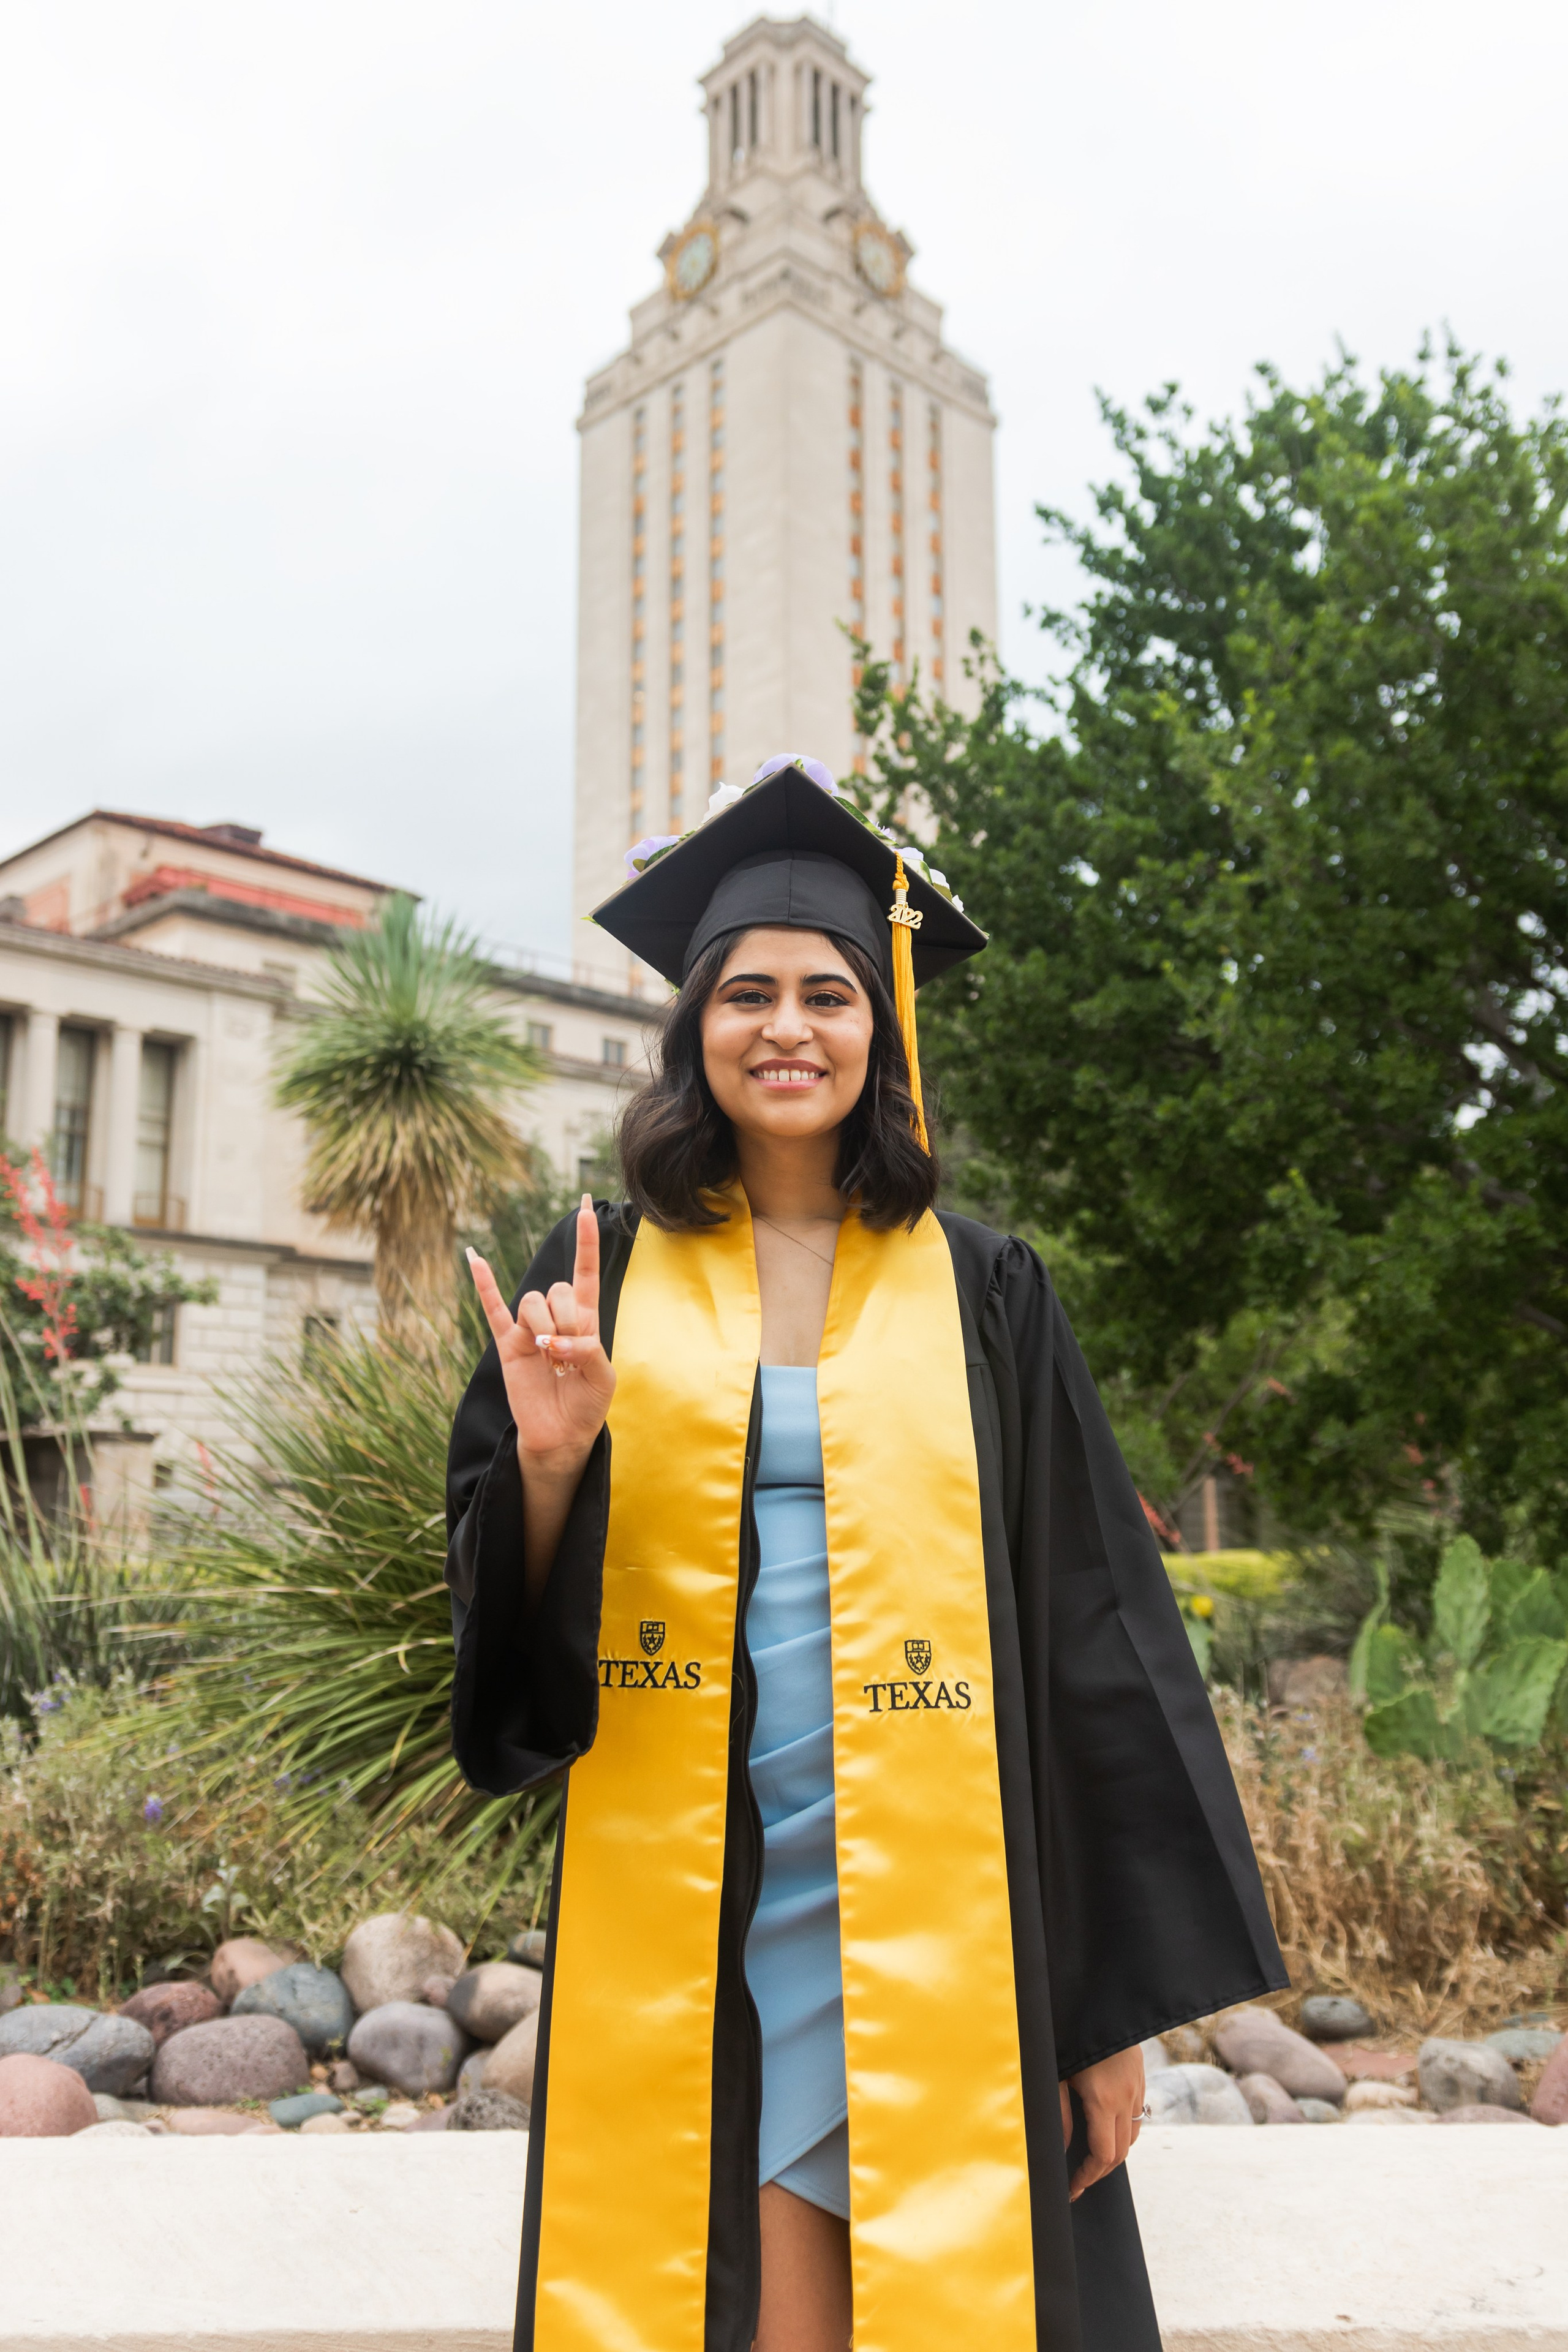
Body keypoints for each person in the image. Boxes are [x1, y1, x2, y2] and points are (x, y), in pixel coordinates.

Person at [447, 756, 1286, 2352]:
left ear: (879, 1026)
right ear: (693, 1028)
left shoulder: (982, 1289)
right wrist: (551, 1460)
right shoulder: (597, 1279)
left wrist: (1098, 2019)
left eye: (829, 993)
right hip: (705, 1872)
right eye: (745, 992)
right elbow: (509, 1629)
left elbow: (1085, 1636)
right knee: (743, 2302)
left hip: (931, 1866)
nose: (787, 1027)